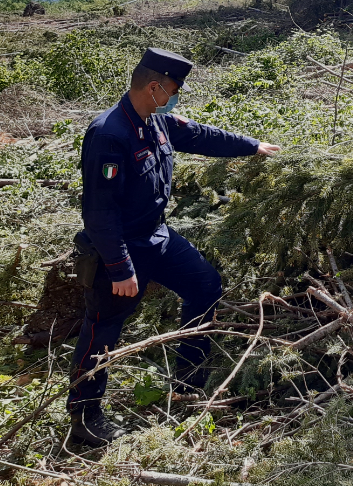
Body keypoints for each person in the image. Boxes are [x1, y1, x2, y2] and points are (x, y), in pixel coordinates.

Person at [68, 48, 280, 447]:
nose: (176, 96)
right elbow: (99, 211)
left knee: (204, 285)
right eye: (174, 89)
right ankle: (85, 416)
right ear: (154, 87)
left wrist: (253, 145)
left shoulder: (156, 122)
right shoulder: (109, 134)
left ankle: (187, 380)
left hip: (157, 237)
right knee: (103, 329)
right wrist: (119, 268)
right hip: (121, 249)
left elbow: (200, 135)